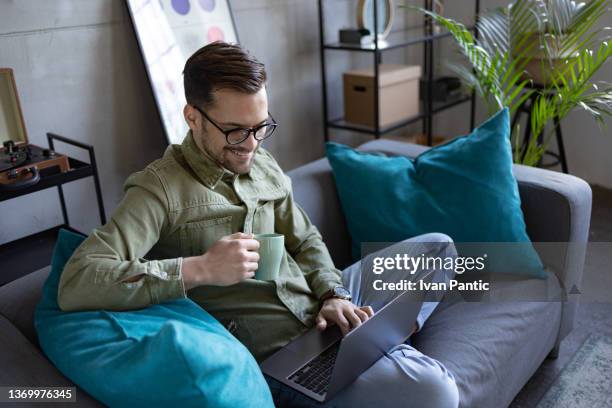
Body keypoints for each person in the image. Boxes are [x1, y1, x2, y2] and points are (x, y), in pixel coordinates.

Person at [58, 41, 459, 407]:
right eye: (235, 131)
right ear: (192, 117)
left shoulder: (259, 161)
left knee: (440, 249)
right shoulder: (158, 191)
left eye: (260, 127)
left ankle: (369, 341)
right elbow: (78, 280)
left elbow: (305, 241)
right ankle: (372, 352)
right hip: (279, 355)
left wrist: (334, 293)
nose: (251, 144)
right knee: (435, 390)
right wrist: (200, 269)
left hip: (321, 308)